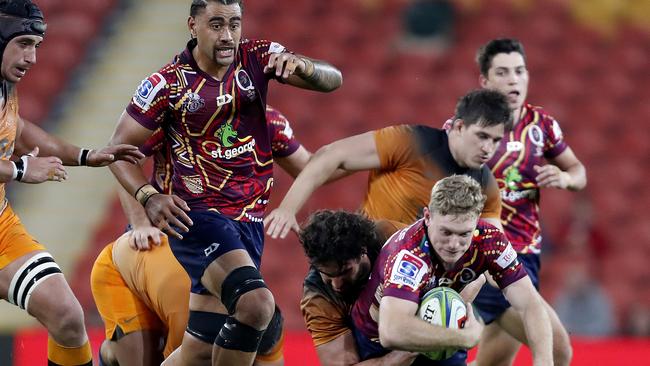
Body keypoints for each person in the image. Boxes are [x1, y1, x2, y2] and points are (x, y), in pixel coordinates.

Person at [107, 1, 343, 365]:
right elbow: (119, 150)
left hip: (246, 225)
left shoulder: (258, 58)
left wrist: (304, 66)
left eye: (234, 24)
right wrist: (148, 198)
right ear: (193, 26)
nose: (227, 35)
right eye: (216, 25)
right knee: (257, 305)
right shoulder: (166, 85)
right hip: (196, 218)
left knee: (200, 351)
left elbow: (333, 80)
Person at [92, 106, 310, 366]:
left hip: (216, 245)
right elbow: (121, 153)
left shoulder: (266, 119)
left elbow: (314, 167)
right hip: (139, 260)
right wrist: (140, 221)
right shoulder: (179, 112)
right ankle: (110, 355)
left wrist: (290, 207)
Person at [0, 1, 143, 365]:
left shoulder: (4, 84)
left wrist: (84, 156)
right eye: (23, 43)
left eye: (36, 45)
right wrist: (19, 170)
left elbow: (19, 131)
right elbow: (18, 155)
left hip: (1, 227)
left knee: (67, 317)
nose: (32, 57)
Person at [350, 175, 553, 366]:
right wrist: (465, 337)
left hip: (441, 329)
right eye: (446, 232)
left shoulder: (491, 240)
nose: (454, 244)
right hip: (378, 343)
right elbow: (391, 331)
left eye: (464, 234)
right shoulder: (409, 256)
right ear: (428, 217)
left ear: (476, 221)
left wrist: (544, 362)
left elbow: (530, 305)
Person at [471, 38, 587, 366]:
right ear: (485, 81)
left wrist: (565, 179)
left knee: (492, 362)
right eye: (503, 72)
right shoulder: (467, 127)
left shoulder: (542, 125)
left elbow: (579, 171)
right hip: (488, 259)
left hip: (528, 256)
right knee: (558, 351)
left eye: (520, 71)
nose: (513, 80)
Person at [265, 88, 511, 239]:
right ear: (459, 126)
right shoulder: (412, 141)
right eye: (482, 136)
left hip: (423, 283)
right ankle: (268, 128)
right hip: (368, 264)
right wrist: (287, 209)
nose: (488, 148)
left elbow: (495, 249)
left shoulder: (485, 183)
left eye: (496, 140)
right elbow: (331, 155)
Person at [299, 210, 418, 365]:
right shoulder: (317, 297)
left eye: (345, 272)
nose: (337, 285)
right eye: (327, 274)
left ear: (363, 250)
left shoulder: (392, 238)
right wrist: (402, 356)